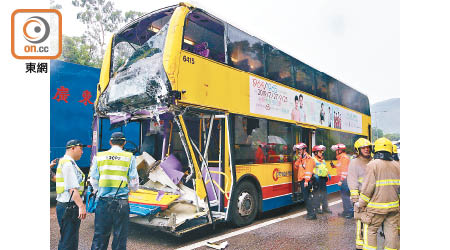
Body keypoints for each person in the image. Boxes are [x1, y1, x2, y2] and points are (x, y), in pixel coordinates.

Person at [90, 132, 139, 250]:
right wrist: (132, 189)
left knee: (100, 235)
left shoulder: (99, 156)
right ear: (124, 143)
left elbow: (93, 180)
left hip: (103, 201)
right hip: (121, 203)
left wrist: (99, 190)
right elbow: (134, 182)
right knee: (120, 236)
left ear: (110, 142)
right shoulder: (129, 157)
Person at [356, 138, 400, 250]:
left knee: (371, 231)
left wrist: (361, 203)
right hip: (393, 207)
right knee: (392, 233)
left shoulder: (372, 164)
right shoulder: (397, 165)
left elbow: (367, 188)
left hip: (376, 209)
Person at [55, 139, 87, 250]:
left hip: (65, 207)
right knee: (68, 242)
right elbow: (72, 189)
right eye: (80, 149)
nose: (82, 152)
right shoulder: (68, 164)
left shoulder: (65, 162)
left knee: (69, 240)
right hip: (69, 207)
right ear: (73, 148)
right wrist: (81, 206)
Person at [347, 138, 373, 250]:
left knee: (372, 223)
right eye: (363, 148)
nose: (366, 149)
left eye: (368, 147)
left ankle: (369, 244)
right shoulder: (354, 163)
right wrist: (355, 200)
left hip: (374, 198)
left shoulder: (373, 161)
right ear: (358, 150)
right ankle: (359, 245)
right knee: (361, 223)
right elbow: (352, 182)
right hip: (361, 197)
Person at [306, 145, 332, 216]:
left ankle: (325, 207)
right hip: (317, 179)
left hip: (323, 179)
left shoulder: (323, 160)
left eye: (322, 152)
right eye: (320, 152)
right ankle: (317, 208)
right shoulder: (313, 160)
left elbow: (325, 168)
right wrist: (314, 175)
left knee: (324, 193)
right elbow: (311, 169)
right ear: (315, 153)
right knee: (317, 194)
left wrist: (328, 174)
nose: (321, 153)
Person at [293, 143, 315, 218]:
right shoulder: (302, 159)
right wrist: (299, 159)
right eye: (298, 150)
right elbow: (295, 166)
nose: (298, 151)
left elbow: (308, 171)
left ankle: (312, 214)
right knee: (306, 197)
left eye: (300, 150)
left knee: (307, 197)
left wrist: (306, 181)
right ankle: (310, 213)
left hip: (306, 181)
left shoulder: (309, 159)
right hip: (302, 180)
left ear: (304, 150)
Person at [331, 143, 352, 218]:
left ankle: (349, 212)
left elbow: (344, 170)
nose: (336, 151)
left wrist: (341, 180)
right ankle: (346, 211)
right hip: (344, 179)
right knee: (343, 196)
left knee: (345, 196)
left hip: (345, 180)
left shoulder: (344, 158)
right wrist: (334, 166)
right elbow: (340, 167)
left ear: (340, 150)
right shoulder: (340, 158)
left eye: (337, 150)